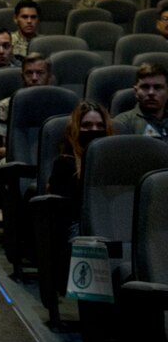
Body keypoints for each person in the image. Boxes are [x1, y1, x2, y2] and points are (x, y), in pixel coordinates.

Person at [47, 100, 114, 238]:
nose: (94, 130)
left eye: (100, 126)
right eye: (86, 125)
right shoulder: (65, 164)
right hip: (80, 232)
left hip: (114, 225)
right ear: (75, 130)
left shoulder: (115, 163)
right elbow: (65, 216)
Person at [112, 62, 168, 140]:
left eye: (157, 87)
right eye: (145, 87)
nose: (151, 92)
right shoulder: (122, 123)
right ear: (136, 91)